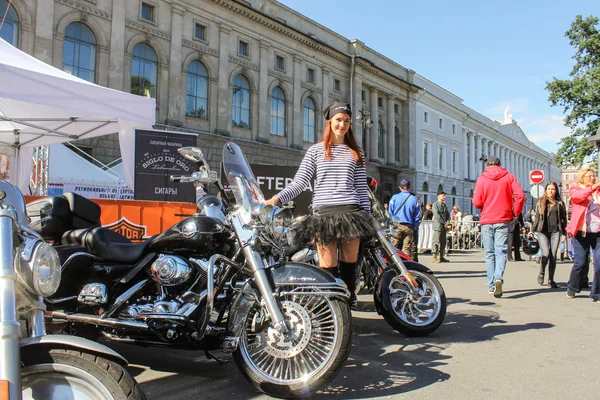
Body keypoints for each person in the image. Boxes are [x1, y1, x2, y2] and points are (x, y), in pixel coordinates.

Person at [265, 100, 377, 310]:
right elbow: (300, 182)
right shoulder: (316, 151)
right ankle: (332, 308)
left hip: (351, 212)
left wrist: (367, 216)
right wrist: (277, 199)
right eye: (338, 120)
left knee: (349, 264)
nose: (342, 125)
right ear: (329, 122)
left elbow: (361, 188)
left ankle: (348, 300)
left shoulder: (356, 153)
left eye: (346, 121)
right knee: (327, 266)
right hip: (324, 213)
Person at [472, 155, 524, 298]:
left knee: (489, 254)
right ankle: (498, 278)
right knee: (500, 252)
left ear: (487, 165)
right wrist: (515, 212)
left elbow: (476, 202)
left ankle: (491, 285)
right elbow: (520, 196)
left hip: (487, 219)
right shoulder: (509, 177)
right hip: (503, 218)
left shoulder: (482, 179)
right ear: (500, 164)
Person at [565, 167, 600, 302]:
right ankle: (573, 287)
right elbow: (577, 198)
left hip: (597, 234)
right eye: (589, 176)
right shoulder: (575, 189)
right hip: (581, 233)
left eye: (594, 176)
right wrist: (592, 188)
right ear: (582, 178)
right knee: (580, 263)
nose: (592, 178)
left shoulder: (598, 191)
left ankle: (596, 293)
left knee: (599, 264)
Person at [529, 182, 568, 288]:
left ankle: (551, 279)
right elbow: (537, 217)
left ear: (556, 191)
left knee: (553, 255)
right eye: (549, 189)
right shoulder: (541, 202)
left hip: (555, 232)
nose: (551, 191)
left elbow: (563, 219)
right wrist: (532, 230)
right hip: (543, 232)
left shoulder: (560, 203)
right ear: (546, 190)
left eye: (553, 189)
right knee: (545, 253)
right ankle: (542, 272)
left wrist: (564, 233)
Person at [388, 179, 421, 260]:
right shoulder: (414, 199)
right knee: (407, 248)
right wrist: (414, 226)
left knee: (393, 247)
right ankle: (407, 266)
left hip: (396, 225)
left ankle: (393, 264)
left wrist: (392, 223)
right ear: (409, 188)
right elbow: (417, 215)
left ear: (400, 187)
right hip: (408, 226)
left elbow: (390, 212)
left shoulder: (394, 198)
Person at [432, 190, 450, 263]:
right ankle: (434, 256)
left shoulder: (444, 205)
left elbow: (448, 215)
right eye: (443, 195)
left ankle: (441, 256)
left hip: (444, 226)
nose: (445, 197)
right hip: (438, 226)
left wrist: (448, 222)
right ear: (439, 196)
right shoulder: (435, 205)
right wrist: (444, 222)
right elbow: (437, 215)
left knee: (443, 241)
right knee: (436, 241)